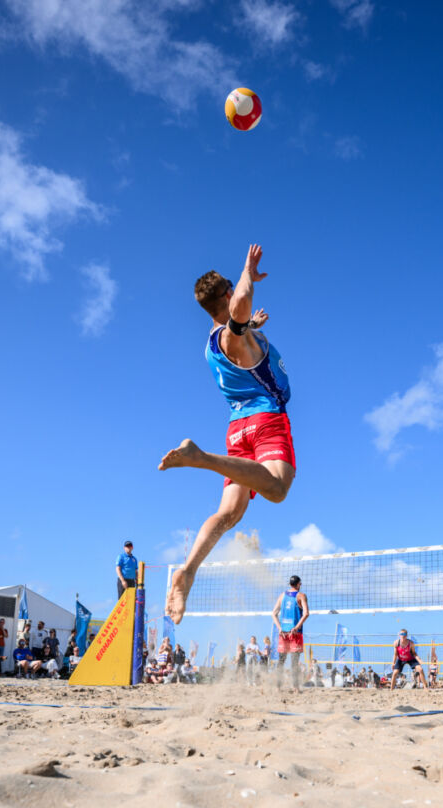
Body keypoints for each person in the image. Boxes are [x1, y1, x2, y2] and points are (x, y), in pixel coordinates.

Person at [160, 245, 296, 623]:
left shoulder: (215, 340)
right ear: (226, 294)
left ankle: (187, 571)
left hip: (237, 429)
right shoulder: (235, 330)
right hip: (265, 419)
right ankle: (199, 458)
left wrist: (254, 324)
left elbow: (237, 322)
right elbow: (238, 313)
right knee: (278, 489)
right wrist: (248, 273)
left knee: (229, 513)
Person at [271, 575, 309, 687]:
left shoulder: (282, 595)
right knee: (294, 663)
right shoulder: (301, 595)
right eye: (300, 584)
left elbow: (273, 614)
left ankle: (278, 687)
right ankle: (296, 688)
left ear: (290, 584)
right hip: (295, 633)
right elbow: (306, 613)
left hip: (283, 633)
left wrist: (279, 628)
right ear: (298, 584)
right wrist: (297, 627)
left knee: (281, 661)